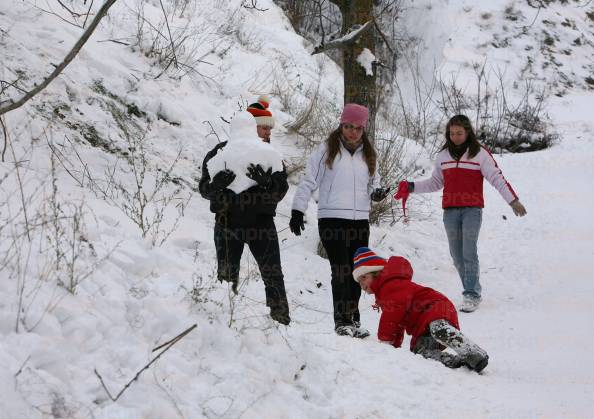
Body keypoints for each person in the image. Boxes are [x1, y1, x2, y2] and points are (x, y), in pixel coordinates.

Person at [393, 114, 527, 313]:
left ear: (468, 133)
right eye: (452, 133)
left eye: (459, 133)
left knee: (468, 251)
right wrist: (411, 186)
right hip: (450, 211)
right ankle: (472, 288)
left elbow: (497, 178)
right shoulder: (443, 156)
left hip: (472, 210)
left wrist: (513, 200)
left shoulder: (479, 154)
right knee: (456, 256)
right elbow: (435, 183)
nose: (455, 137)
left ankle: (471, 293)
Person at [289, 103, 390, 337]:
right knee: (341, 269)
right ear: (341, 125)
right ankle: (341, 321)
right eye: (348, 126)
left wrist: (377, 194)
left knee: (359, 270)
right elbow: (308, 182)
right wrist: (297, 210)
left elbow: (374, 184)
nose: (352, 132)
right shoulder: (326, 150)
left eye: (357, 128)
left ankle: (354, 319)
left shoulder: (369, 153)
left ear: (363, 129)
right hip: (332, 219)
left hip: (359, 221)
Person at [199, 98, 290, 325]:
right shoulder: (219, 153)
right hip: (226, 223)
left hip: (261, 224)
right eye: (264, 126)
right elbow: (203, 189)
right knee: (226, 276)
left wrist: (268, 182)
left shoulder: (270, 155)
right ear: (249, 126)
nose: (268, 131)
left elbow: (281, 190)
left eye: (270, 128)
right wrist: (216, 185)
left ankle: (281, 322)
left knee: (273, 275)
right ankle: (222, 321)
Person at [352, 247, 489, 372]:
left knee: (438, 328)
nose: (362, 283)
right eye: (359, 281)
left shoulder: (391, 285)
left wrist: (384, 342)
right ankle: (454, 362)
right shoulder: (384, 294)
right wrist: (392, 349)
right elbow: (396, 323)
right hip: (423, 326)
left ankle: (473, 353)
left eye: (364, 277)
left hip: (435, 308)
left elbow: (390, 318)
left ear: (377, 273)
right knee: (419, 353)